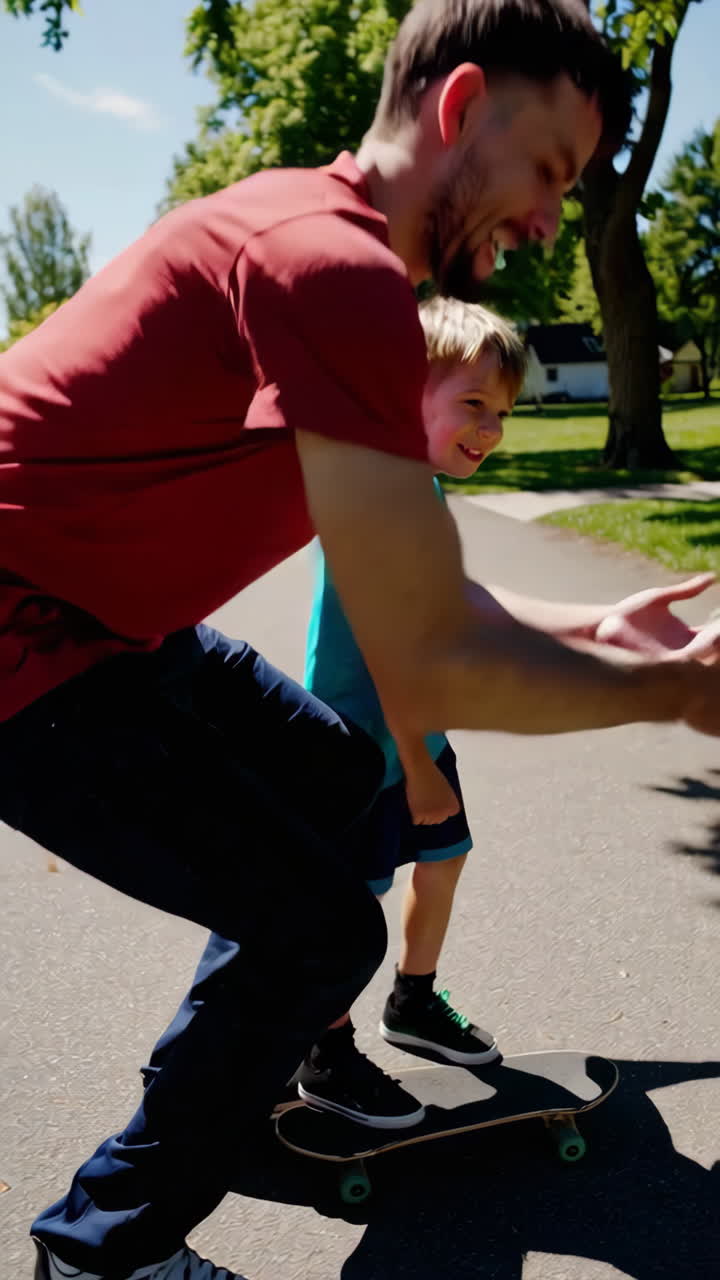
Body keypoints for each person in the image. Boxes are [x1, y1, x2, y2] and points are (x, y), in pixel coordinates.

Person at [1, 2, 719, 1277]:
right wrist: (670, 689)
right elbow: (430, 657)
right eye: (549, 168)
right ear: (458, 111)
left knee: (336, 774)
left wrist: (602, 625)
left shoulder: (356, 288)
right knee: (326, 927)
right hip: (27, 643)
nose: (555, 217)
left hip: (124, 630)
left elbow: (423, 584)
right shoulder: (325, 264)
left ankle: (265, 1056)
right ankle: (102, 1248)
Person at [297, 297, 525, 1128]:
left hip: (415, 730)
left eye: (501, 412)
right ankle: (323, 1049)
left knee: (446, 856)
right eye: (473, 404)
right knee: (348, 912)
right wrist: (419, 767)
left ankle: (413, 1001)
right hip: (364, 746)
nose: (491, 427)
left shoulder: (413, 483)